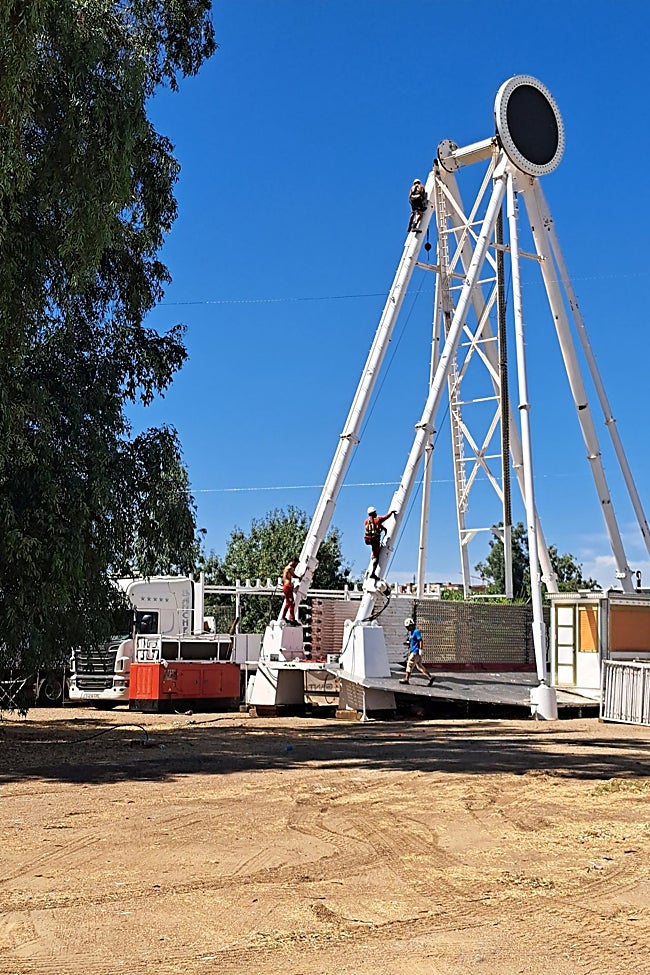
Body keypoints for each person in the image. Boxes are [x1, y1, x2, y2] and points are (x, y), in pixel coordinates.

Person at [364, 506, 396, 579]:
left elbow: (374, 525)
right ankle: (373, 573)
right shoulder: (378, 520)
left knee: (374, 551)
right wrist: (391, 513)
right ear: (374, 513)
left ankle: (373, 555)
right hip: (375, 541)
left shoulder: (366, 522)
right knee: (376, 558)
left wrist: (382, 528)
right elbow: (386, 517)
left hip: (368, 540)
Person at [400, 617, 434, 685]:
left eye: (408, 626)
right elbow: (413, 641)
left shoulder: (416, 631)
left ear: (412, 625)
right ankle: (430, 677)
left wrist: (421, 649)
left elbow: (420, 640)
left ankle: (406, 679)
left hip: (415, 652)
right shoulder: (411, 633)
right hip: (415, 652)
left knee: (409, 664)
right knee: (419, 666)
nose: (408, 628)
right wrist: (408, 643)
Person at [280, 558, 300, 625]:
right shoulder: (290, 568)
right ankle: (288, 618)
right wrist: (300, 577)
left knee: (290, 603)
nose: (296, 565)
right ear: (293, 562)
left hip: (286, 586)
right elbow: (293, 575)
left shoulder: (286, 568)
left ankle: (291, 617)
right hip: (288, 587)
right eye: (296, 563)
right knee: (290, 603)